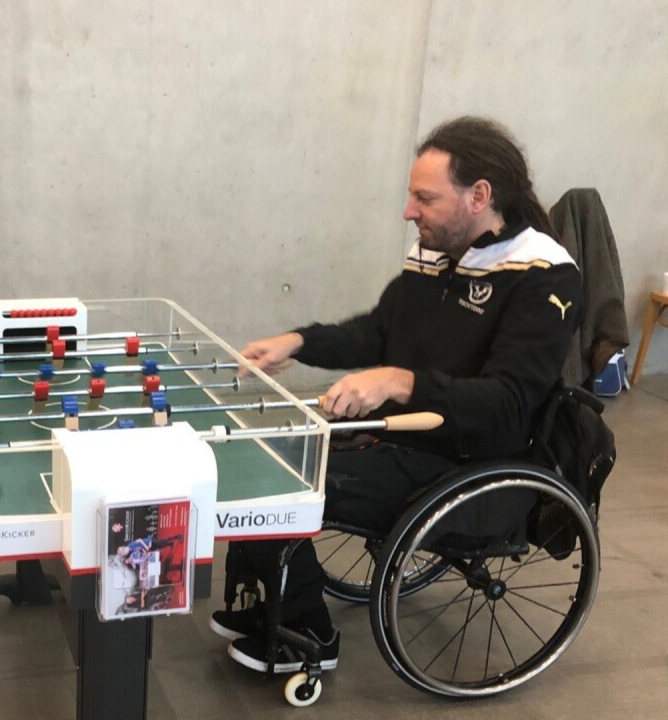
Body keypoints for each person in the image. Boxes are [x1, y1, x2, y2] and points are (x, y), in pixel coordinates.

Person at [211, 117, 582, 674]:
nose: (409, 210)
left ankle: (307, 630)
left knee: (275, 484)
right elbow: (381, 332)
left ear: (479, 196)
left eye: (424, 197)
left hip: (466, 462)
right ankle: (273, 601)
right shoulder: (435, 253)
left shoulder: (544, 275)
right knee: (256, 453)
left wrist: (398, 381)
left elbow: (506, 405)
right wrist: (298, 341)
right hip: (399, 437)